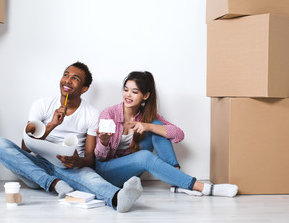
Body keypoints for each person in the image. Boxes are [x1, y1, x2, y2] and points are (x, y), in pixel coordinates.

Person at [0, 62, 142, 213]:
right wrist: (51, 124)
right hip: (35, 167)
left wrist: (77, 162)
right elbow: (25, 147)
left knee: (91, 179)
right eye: (66, 75)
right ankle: (53, 183)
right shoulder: (42, 104)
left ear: (84, 89)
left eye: (75, 78)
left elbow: (90, 160)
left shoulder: (91, 114)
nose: (68, 80)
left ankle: (117, 198)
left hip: (68, 168)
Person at [95, 71, 238, 197]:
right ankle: (204, 188)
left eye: (134, 91)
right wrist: (104, 142)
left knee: (156, 126)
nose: (128, 95)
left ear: (145, 95)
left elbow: (178, 134)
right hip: (108, 172)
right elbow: (100, 157)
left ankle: (177, 182)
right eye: (126, 90)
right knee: (145, 154)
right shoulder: (109, 114)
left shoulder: (147, 116)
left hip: (133, 171)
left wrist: (148, 126)